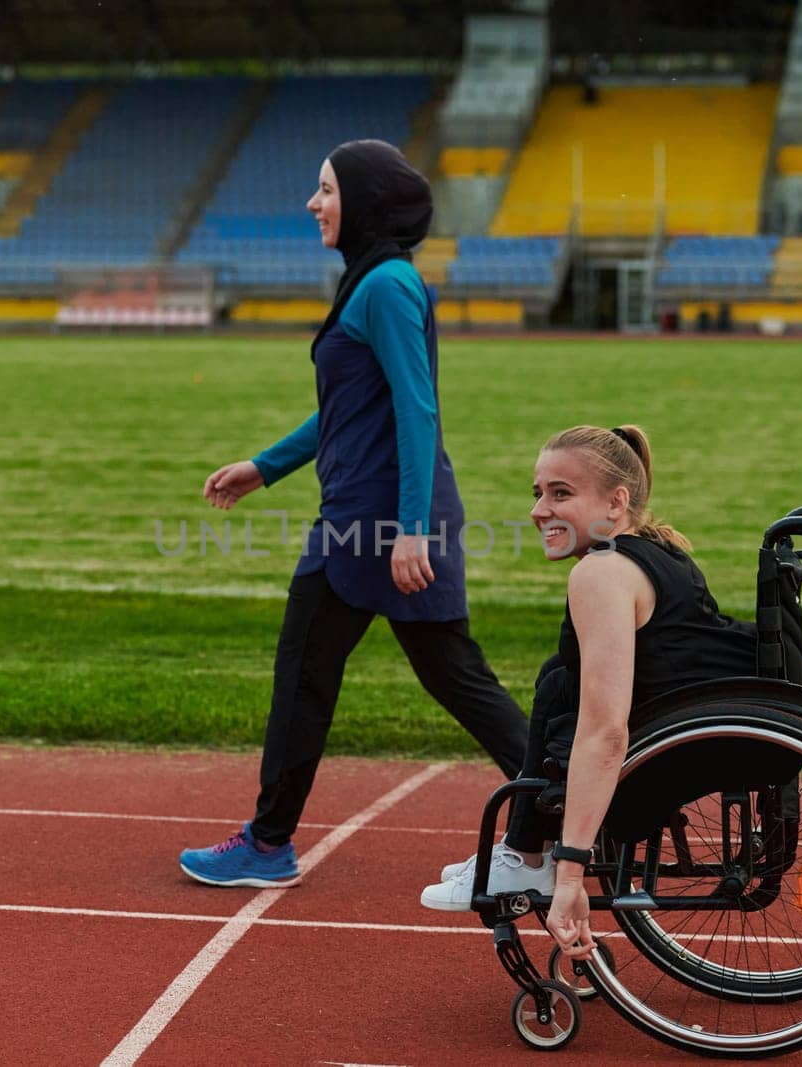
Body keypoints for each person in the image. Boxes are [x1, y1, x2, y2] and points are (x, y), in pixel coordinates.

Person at [179, 139, 529, 889]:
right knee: (453, 675)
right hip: (377, 513)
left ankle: (269, 842)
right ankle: (563, 799)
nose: (314, 203)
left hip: (371, 523)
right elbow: (346, 411)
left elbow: (416, 407)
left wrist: (410, 528)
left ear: (365, 201)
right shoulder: (374, 282)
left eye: (327, 189)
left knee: (309, 667)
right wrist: (263, 468)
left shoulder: (387, 286)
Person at [419, 425, 756, 966]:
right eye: (538, 494)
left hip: (667, 746)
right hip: (696, 720)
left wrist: (571, 871)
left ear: (616, 502)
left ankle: (530, 859)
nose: (539, 511)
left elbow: (606, 730)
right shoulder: (660, 550)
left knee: (563, 686)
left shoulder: (603, 573)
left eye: (561, 494)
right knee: (559, 678)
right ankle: (524, 850)